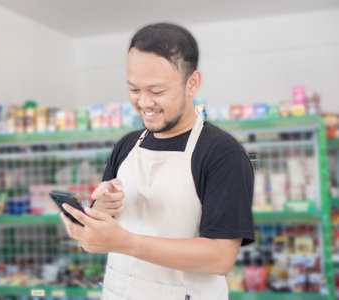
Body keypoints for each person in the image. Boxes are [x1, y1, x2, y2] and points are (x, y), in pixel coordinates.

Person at [60, 23, 254, 300]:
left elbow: (221, 257)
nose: (144, 103)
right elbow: (107, 228)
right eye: (134, 90)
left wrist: (126, 243)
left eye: (157, 91)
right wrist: (98, 213)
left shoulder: (223, 153)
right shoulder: (127, 146)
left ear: (193, 83)